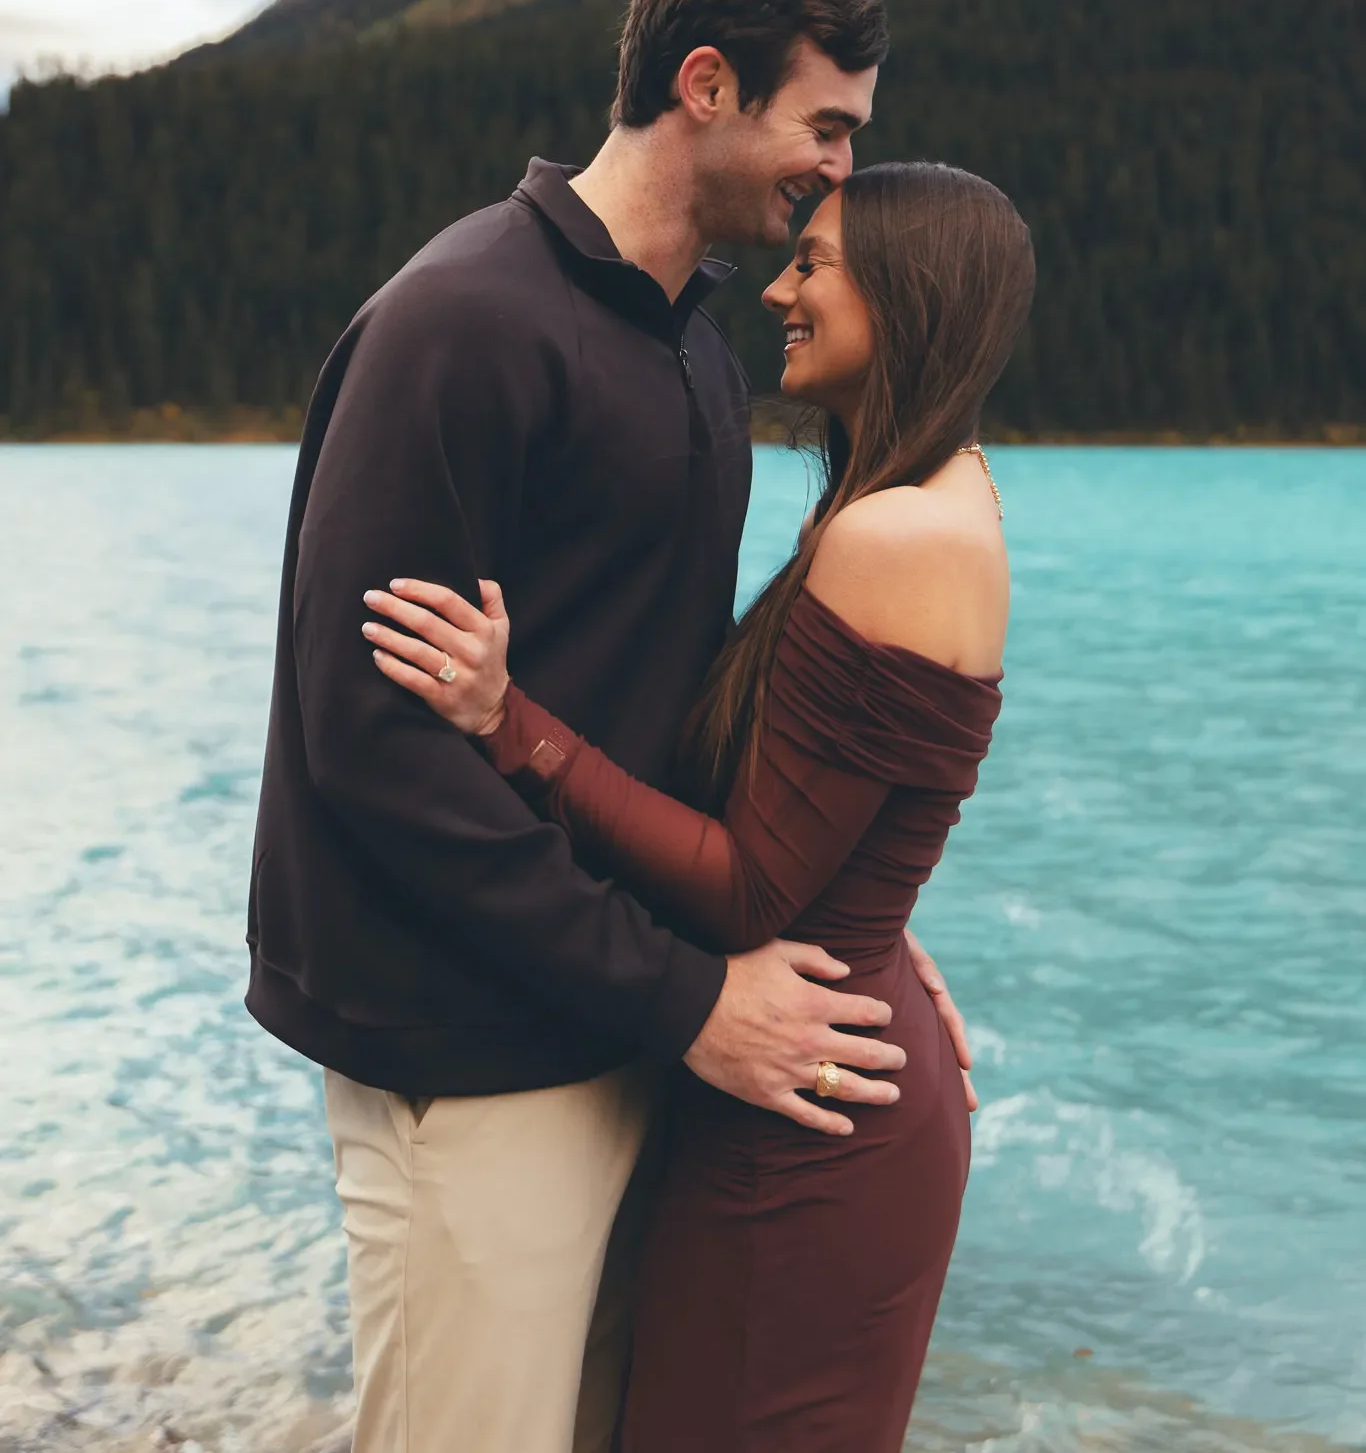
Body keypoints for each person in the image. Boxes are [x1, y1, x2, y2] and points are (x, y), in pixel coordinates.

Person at [245, 0, 972, 1453]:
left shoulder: (697, 355)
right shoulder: (461, 321)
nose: (837, 172)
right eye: (823, 126)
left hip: (624, 1030)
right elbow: (368, 747)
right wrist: (689, 998)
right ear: (705, 84)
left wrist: (848, 932)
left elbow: (687, 717)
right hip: (469, 1055)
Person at [363, 160, 1036, 1453]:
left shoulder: (892, 535)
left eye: (815, 264)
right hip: (831, 1052)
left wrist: (511, 723)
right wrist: (881, 927)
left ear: (906, 292)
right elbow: (842, 810)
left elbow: (747, 885)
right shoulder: (936, 488)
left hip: (807, 1112)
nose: (777, 285)